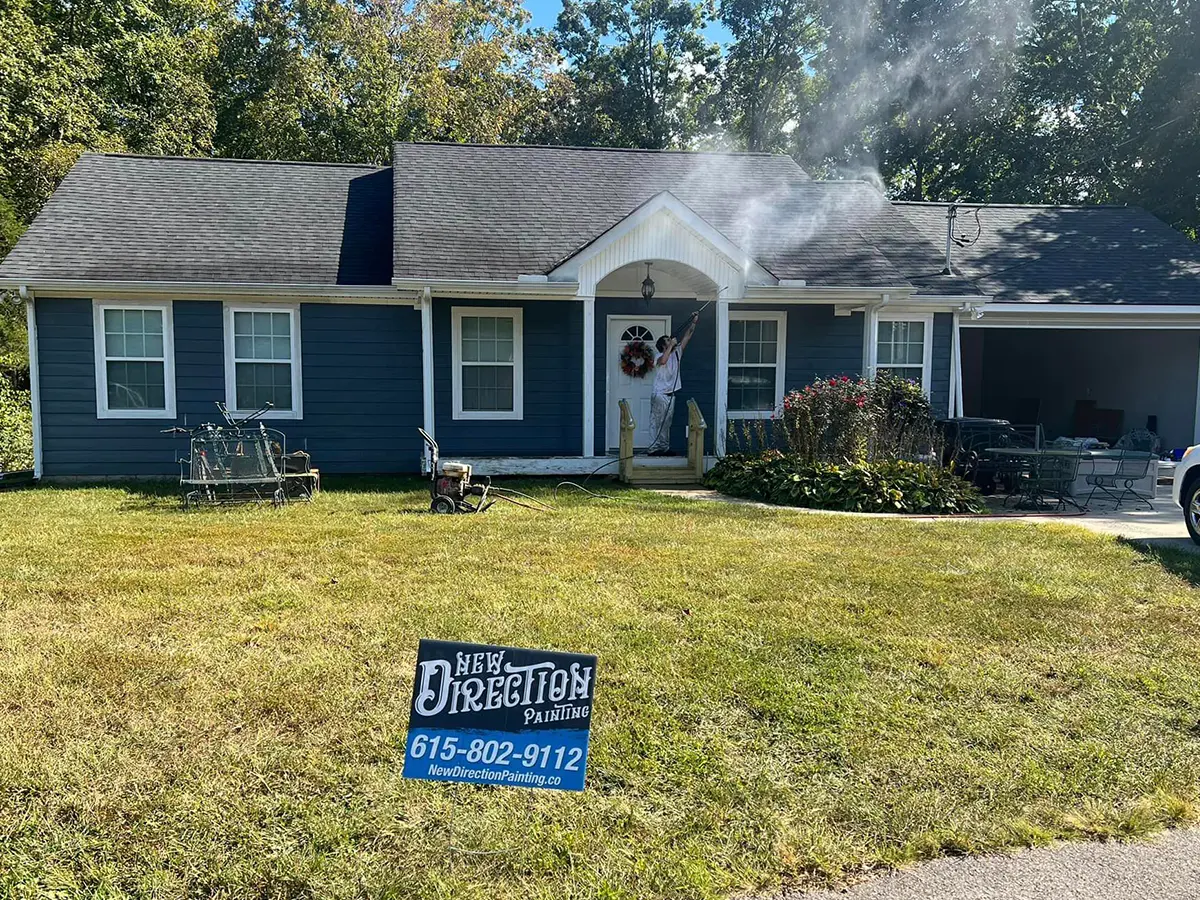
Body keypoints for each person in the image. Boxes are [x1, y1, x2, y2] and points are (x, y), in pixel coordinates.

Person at [647, 312, 699, 455]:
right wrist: (671, 346)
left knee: (666, 422)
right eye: (667, 340)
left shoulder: (677, 353)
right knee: (656, 421)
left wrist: (693, 322)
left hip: (671, 394)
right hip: (659, 394)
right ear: (663, 345)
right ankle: (653, 448)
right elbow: (663, 361)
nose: (671, 341)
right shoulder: (658, 356)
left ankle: (664, 447)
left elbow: (688, 336)